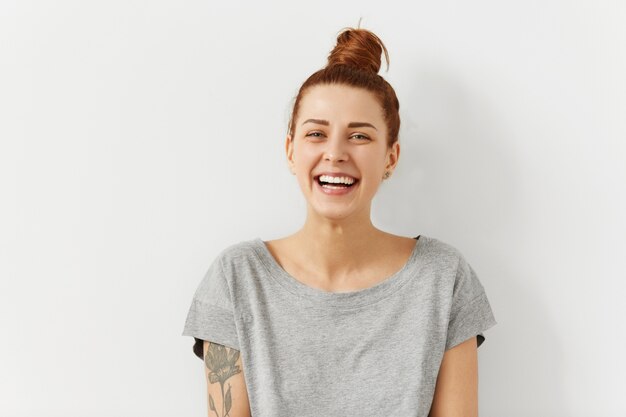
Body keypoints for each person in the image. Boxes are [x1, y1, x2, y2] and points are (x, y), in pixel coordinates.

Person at [182, 25, 497, 417]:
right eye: (316, 133)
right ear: (291, 150)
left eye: (360, 137)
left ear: (391, 158)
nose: (335, 153)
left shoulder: (443, 278)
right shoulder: (237, 278)